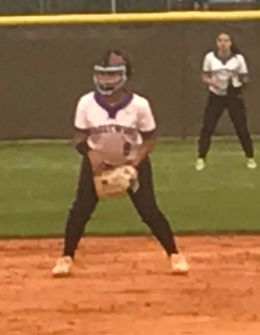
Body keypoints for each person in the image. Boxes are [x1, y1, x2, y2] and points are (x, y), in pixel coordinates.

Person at [52, 50, 188, 278]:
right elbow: (78, 135)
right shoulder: (86, 102)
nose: (106, 81)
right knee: (80, 211)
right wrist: (90, 154)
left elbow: (149, 138)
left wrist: (135, 161)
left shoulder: (139, 105)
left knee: (148, 211)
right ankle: (66, 258)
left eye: (112, 75)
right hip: (97, 164)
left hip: (131, 163)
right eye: (103, 75)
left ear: (124, 76)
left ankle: (174, 254)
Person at [195, 33, 256, 171]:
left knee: (241, 127)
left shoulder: (238, 59)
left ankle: (250, 157)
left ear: (230, 43)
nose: (223, 43)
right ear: (217, 43)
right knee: (207, 127)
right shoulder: (210, 57)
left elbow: (245, 77)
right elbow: (205, 76)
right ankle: (201, 158)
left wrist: (238, 82)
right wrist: (212, 81)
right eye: (220, 41)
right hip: (216, 95)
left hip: (233, 96)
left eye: (226, 41)